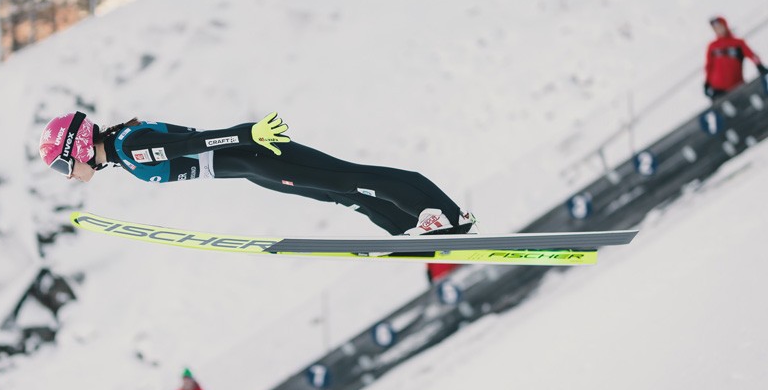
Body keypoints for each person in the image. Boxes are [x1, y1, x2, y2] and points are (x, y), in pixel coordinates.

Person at [37, 111, 475, 236]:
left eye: (63, 165)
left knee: (347, 179)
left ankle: (443, 215)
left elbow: (194, 144)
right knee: (338, 193)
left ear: (78, 147)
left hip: (256, 156)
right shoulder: (123, 150)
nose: (68, 175)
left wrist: (248, 133)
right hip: (249, 167)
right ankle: (406, 229)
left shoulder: (129, 147)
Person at [704, 16, 766, 100]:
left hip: (737, 87)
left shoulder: (738, 43)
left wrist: (759, 66)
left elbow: (752, 55)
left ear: (725, 26)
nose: (718, 30)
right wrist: (707, 83)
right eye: (715, 28)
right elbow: (709, 66)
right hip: (718, 90)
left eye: (720, 27)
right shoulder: (712, 46)